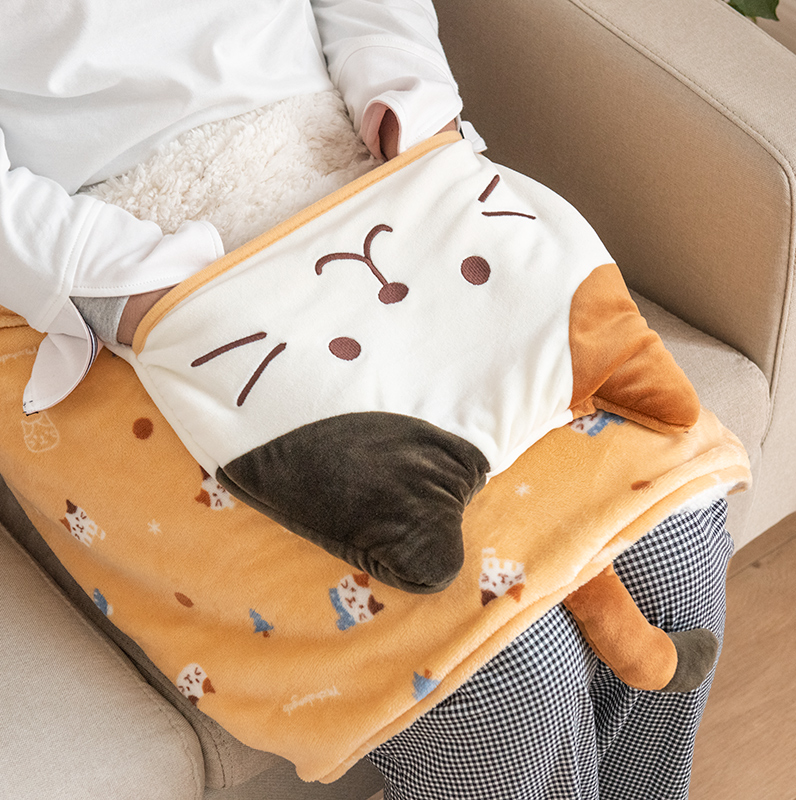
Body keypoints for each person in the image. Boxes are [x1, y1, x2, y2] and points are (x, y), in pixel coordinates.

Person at [0, 2, 732, 797]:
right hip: (107, 243)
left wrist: (406, 101)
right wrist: (128, 284)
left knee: (677, 549)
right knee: (504, 674)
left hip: (339, 155)